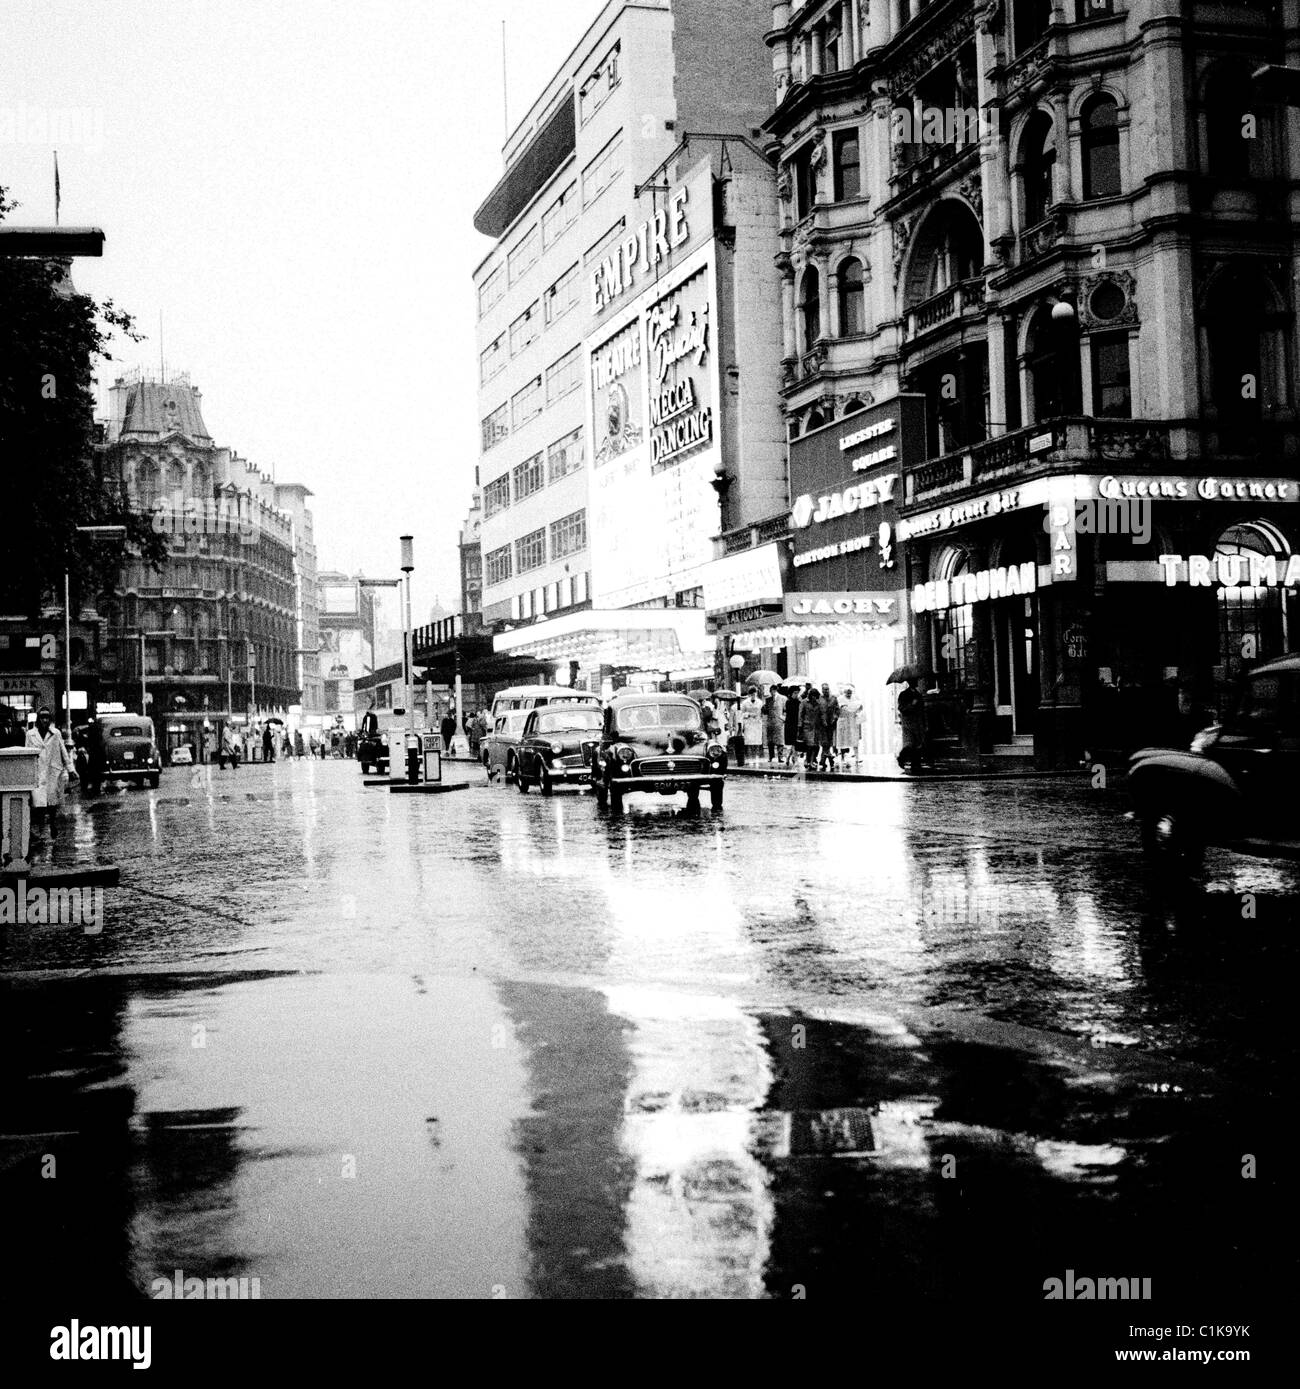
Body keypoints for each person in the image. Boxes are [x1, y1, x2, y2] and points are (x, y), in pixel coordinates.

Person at [26, 707, 76, 824]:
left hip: (53, 771)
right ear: (38, 719)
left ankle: (52, 823)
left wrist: (70, 769)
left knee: (52, 801)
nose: (45, 720)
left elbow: (63, 751)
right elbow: (28, 753)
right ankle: (41, 825)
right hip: (37, 771)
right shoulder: (30, 734)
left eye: (47, 717)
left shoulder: (56, 733)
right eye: (42, 717)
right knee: (39, 802)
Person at [897, 675, 929, 772]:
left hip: (918, 722)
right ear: (910, 682)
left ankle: (916, 764)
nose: (916, 682)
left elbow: (922, 710)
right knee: (910, 744)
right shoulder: (903, 694)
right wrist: (912, 704)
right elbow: (901, 708)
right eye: (914, 681)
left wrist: (924, 723)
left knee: (918, 744)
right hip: (909, 723)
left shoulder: (918, 694)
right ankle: (901, 758)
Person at [837, 686, 864, 766]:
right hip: (844, 721)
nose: (849, 694)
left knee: (854, 740)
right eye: (847, 693)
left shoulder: (855, 698)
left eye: (850, 693)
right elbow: (844, 708)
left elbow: (860, 707)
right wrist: (853, 707)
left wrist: (857, 709)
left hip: (853, 721)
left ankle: (857, 757)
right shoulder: (840, 698)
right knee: (843, 740)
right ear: (844, 692)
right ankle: (843, 758)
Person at [816, 683, 840, 770]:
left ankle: (823, 761)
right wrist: (821, 720)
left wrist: (835, 718)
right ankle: (830, 761)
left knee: (829, 743)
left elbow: (837, 710)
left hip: (831, 723)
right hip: (822, 724)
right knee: (824, 743)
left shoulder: (833, 698)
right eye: (824, 689)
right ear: (822, 690)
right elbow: (818, 711)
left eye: (827, 689)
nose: (826, 691)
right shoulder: (819, 699)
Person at [763, 686, 786, 765]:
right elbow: (765, 711)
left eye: (773, 691)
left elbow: (785, 710)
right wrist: (764, 708)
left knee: (780, 740)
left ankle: (780, 757)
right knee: (770, 741)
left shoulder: (783, 698)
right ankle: (771, 756)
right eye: (771, 691)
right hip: (770, 722)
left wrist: (783, 718)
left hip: (779, 722)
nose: (772, 693)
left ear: (776, 690)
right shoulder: (768, 699)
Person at [740, 688, 764, 764]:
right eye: (752, 694)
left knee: (756, 742)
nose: (754, 696)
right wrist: (749, 714)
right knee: (749, 742)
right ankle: (750, 758)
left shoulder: (760, 702)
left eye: (755, 694)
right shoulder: (745, 703)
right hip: (749, 723)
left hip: (757, 724)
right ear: (749, 695)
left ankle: (756, 758)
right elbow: (741, 713)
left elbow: (762, 713)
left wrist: (760, 717)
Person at [798, 686, 820, 768]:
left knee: (815, 745)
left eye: (815, 696)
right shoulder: (804, 702)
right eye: (812, 695)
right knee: (809, 745)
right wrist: (800, 726)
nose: (814, 697)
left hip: (816, 727)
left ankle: (811, 761)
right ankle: (808, 760)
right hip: (807, 726)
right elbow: (800, 715)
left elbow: (820, 714)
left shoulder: (818, 703)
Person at [783, 685, 801, 767]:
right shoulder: (789, 702)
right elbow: (790, 714)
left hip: (796, 724)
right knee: (793, 742)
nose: (796, 695)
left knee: (794, 743)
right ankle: (795, 759)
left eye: (797, 693)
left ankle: (789, 757)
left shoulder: (798, 702)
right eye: (795, 693)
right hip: (790, 724)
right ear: (791, 693)